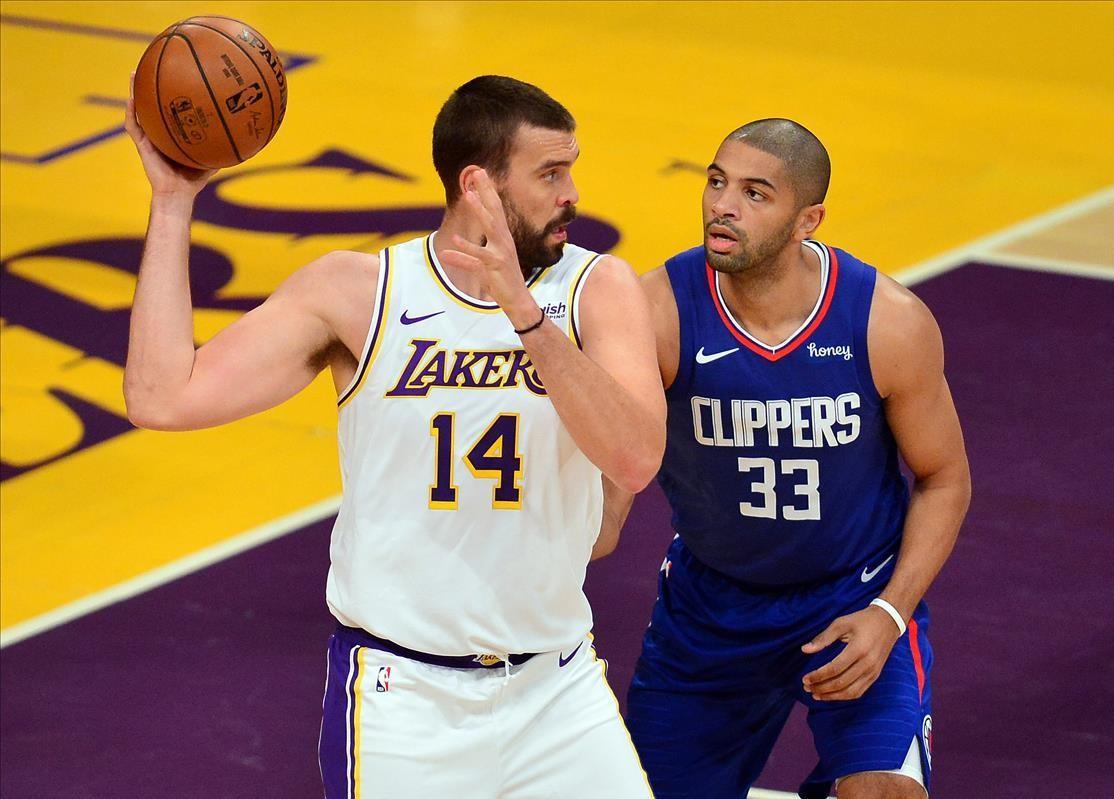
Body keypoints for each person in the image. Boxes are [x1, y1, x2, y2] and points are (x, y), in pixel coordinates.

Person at [122, 75, 664, 798]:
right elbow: (161, 396)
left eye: (570, 170)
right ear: (478, 184)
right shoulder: (359, 291)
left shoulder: (598, 289)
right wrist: (172, 201)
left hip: (556, 687)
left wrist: (523, 311)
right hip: (402, 697)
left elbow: (634, 460)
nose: (572, 193)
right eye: (550, 173)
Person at [601, 119, 972, 799]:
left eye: (754, 192)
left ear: (809, 219)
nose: (722, 205)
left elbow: (945, 476)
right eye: (715, 182)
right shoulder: (656, 310)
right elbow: (617, 471)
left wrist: (891, 612)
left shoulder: (885, 321)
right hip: (710, 608)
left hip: (852, 597)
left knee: (885, 793)